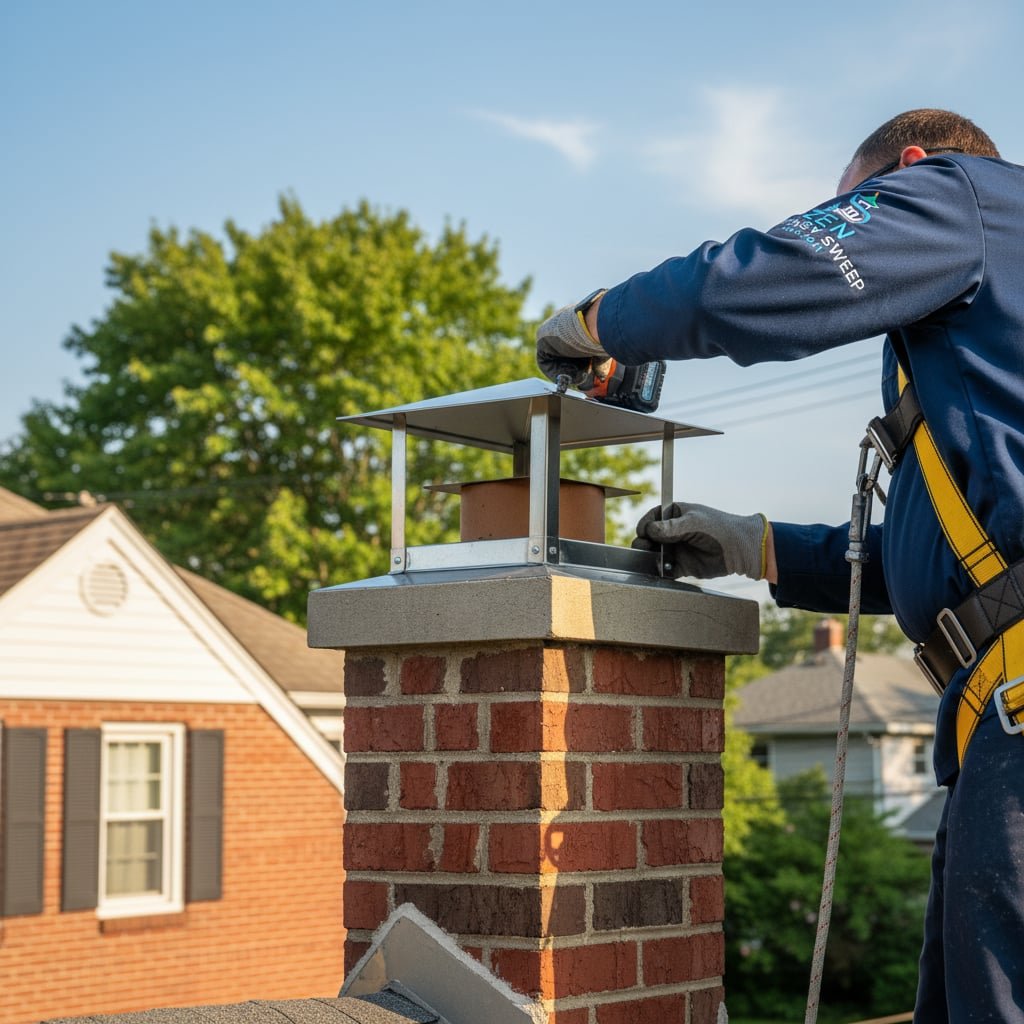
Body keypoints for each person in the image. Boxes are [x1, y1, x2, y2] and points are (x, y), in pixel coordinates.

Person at [536, 109, 1024, 1021]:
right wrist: (759, 546)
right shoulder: (991, 351)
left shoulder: (963, 196)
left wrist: (601, 323)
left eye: (861, 206)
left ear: (911, 169)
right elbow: (970, 576)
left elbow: (768, 277)